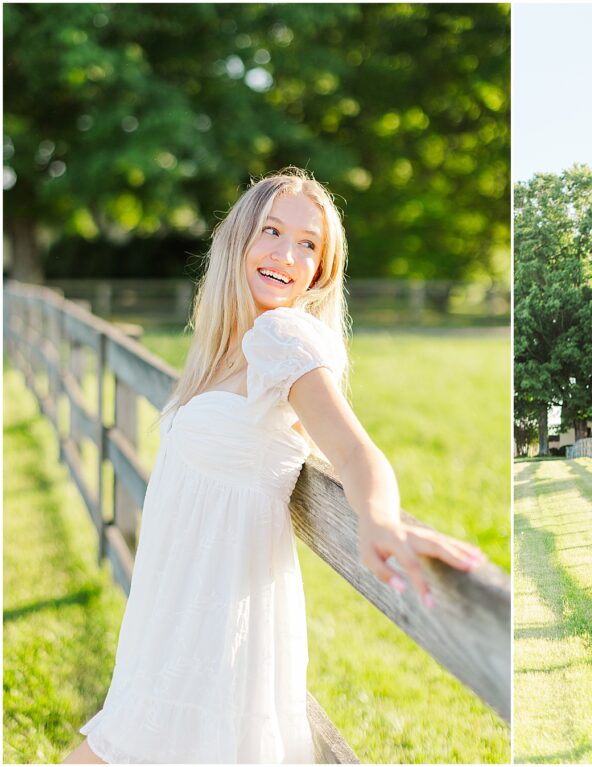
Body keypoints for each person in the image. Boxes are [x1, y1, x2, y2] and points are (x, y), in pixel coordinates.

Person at [63, 167, 486, 763]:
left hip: (211, 638)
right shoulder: (224, 346)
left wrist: (379, 520)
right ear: (239, 238)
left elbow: (354, 449)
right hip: (170, 621)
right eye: (272, 231)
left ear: (321, 270)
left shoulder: (282, 338)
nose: (286, 255)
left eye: (308, 244)